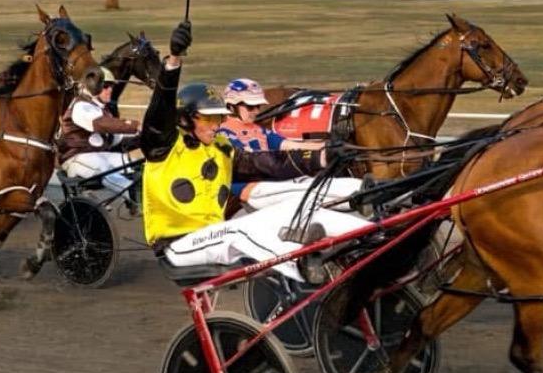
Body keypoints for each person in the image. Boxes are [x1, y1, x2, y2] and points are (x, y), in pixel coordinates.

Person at [139, 19, 372, 284]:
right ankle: (308, 269)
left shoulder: (221, 150)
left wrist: (322, 156)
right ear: (184, 119)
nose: (217, 125)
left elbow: (270, 162)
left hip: (214, 235)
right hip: (177, 246)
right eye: (209, 119)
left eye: (219, 118)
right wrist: (173, 61)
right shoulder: (163, 148)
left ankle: (373, 236)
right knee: (239, 231)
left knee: (294, 208)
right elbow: (159, 112)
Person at [216, 77, 362, 210]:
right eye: (250, 107)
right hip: (249, 189)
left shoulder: (258, 129)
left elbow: (289, 144)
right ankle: (357, 200)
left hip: (274, 181)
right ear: (232, 106)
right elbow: (252, 162)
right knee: (307, 192)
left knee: (316, 182)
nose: (255, 111)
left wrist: (329, 147)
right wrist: (319, 157)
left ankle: (364, 190)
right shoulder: (223, 133)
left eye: (258, 106)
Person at [57, 66, 141, 194]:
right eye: (105, 86)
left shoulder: (103, 110)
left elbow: (116, 140)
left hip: (99, 156)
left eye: (111, 86)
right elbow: (101, 124)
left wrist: (145, 138)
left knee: (134, 164)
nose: (110, 90)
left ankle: (144, 196)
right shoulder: (81, 106)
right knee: (103, 167)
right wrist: (135, 126)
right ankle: (135, 196)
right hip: (75, 159)